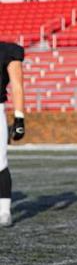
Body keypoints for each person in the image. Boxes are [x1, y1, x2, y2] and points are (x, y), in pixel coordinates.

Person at [0, 42, 25, 227]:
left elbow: (17, 85)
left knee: (0, 162)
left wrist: (19, 117)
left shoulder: (7, 51)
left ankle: (4, 210)